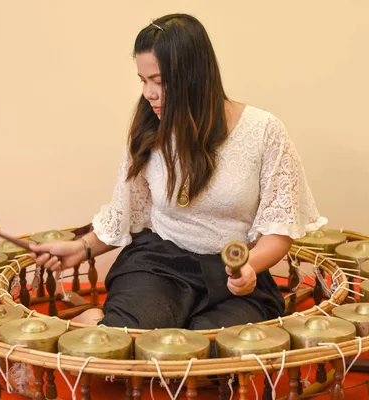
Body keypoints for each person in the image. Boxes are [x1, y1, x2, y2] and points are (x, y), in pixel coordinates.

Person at [30, 13, 326, 330]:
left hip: (230, 274)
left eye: (158, 81)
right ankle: (99, 321)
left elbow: (278, 231)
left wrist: (250, 267)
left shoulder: (264, 131)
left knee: (213, 355)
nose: (148, 93)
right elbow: (125, 211)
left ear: (194, 76)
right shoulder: (149, 130)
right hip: (161, 266)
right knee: (129, 342)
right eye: (143, 81)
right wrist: (82, 248)